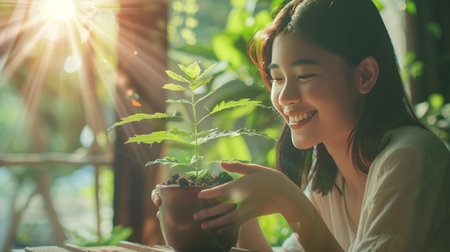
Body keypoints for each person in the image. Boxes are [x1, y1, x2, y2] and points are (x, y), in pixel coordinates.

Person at [152, 0, 450, 251]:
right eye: (278, 78)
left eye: (305, 75)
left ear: (365, 76)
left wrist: (291, 202)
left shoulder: (411, 157)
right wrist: (233, 214)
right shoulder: (330, 178)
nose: (285, 97)